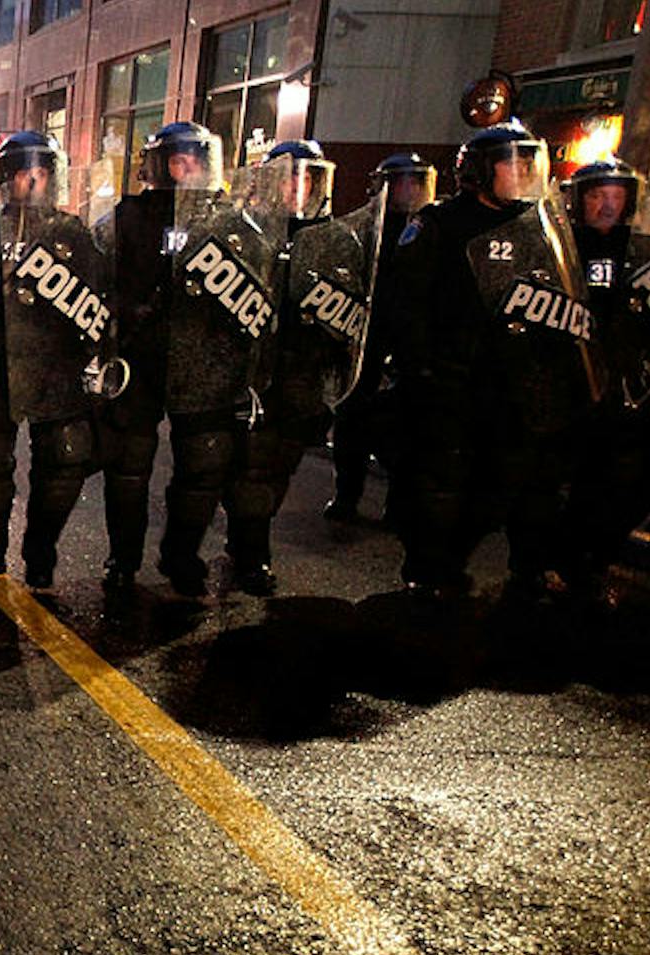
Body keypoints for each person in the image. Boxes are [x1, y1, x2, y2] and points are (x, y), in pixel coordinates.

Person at [388, 120, 601, 603]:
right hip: (452, 376)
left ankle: (455, 557)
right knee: (440, 483)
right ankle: (425, 570)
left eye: (530, 162)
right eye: (513, 162)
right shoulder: (438, 224)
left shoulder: (538, 228)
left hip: (514, 383)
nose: (524, 171)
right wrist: (420, 367)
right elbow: (407, 301)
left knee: (497, 485)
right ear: (483, 171)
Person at [99, 121, 270, 598]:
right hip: (140, 361)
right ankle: (122, 559)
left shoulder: (233, 224)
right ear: (158, 167)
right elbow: (94, 279)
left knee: (204, 466)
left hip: (208, 364)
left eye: (196, 160)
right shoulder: (125, 219)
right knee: (128, 468)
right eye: (177, 160)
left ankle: (181, 556)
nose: (187, 169)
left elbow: (264, 291)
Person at [0, 130, 101, 590]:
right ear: (3, 179)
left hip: (54, 366)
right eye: (21, 174)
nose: (31, 183)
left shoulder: (73, 234)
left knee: (63, 460)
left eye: (40, 174)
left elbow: (101, 299)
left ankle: (41, 551)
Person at [222, 139, 355, 595]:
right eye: (289, 177)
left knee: (279, 467)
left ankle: (246, 536)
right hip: (250, 372)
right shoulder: (245, 230)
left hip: (302, 374)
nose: (298, 187)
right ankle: (252, 553)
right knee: (251, 467)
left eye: (307, 177)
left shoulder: (334, 238)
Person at [563, 157, 650, 607]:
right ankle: (555, 558)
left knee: (621, 479)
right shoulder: (561, 249)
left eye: (616, 196)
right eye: (598, 195)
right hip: (571, 383)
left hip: (628, 392)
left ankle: (594, 558)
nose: (606, 205)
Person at [328, 152, 438, 523]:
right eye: (400, 183)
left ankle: (398, 501)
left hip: (410, 342)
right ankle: (347, 494)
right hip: (364, 337)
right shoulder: (363, 230)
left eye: (414, 183)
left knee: (405, 429)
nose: (408, 191)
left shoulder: (433, 228)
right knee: (352, 422)